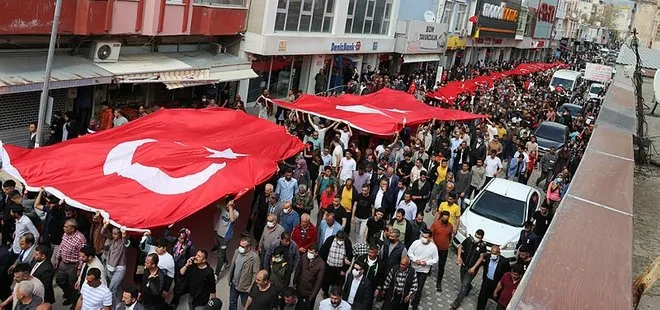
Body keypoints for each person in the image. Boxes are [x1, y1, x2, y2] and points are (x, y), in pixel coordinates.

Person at [450, 229, 487, 309]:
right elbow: (460, 247)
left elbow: (481, 258)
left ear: (482, 238)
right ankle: (469, 287)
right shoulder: (469, 240)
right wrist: (459, 257)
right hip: (464, 265)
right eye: (476, 236)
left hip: (472, 269)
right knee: (463, 280)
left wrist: (474, 268)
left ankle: (456, 303)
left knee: (464, 286)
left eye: (478, 237)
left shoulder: (482, 246)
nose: (476, 238)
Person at [54, 219, 87, 306]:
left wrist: (79, 269)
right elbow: (62, 246)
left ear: (72, 229)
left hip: (73, 265)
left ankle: (73, 301)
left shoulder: (80, 239)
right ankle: (68, 293)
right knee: (59, 280)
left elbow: (82, 256)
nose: (64, 228)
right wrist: (57, 258)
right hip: (63, 262)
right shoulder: (65, 234)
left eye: (66, 227)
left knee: (73, 285)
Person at [408, 229, 439, 310]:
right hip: (413, 268)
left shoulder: (433, 247)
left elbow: (436, 259)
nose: (423, 238)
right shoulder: (416, 243)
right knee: (409, 285)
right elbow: (409, 252)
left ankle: (415, 305)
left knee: (419, 289)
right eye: (423, 236)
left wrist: (427, 263)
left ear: (430, 238)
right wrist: (415, 260)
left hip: (423, 271)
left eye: (426, 237)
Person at [228, 237, 260, 310]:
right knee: (232, 302)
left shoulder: (254, 258)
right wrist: (230, 279)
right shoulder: (237, 252)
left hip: (245, 287)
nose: (240, 248)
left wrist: (251, 287)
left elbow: (255, 273)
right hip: (234, 283)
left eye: (243, 246)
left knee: (246, 304)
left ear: (249, 247)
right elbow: (233, 266)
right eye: (240, 245)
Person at [319, 231, 353, 297]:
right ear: (336, 237)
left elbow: (350, 256)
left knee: (338, 286)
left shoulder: (347, 242)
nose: (340, 241)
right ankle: (326, 293)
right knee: (326, 283)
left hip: (340, 269)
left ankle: (335, 296)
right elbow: (323, 252)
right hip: (329, 267)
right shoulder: (330, 240)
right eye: (339, 240)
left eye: (341, 240)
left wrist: (344, 269)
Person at [476, 245, 511, 310]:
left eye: (494, 254)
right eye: (491, 253)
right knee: (482, 298)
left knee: (497, 300)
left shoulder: (504, 262)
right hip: (486, 281)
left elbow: (506, 274)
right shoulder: (488, 257)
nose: (492, 255)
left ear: (498, 253)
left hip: (496, 283)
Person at [294, 244, 324, 310]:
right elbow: (298, 270)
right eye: (308, 252)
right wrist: (295, 282)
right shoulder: (304, 257)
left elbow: (319, 282)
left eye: (311, 253)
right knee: (298, 306)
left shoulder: (321, 264)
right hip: (300, 288)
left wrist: (312, 296)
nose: (309, 254)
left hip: (310, 292)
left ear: (316, 253)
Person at [213, 198, 238, 278]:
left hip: (226, 237)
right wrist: (224, 198)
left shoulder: (235, 213)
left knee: (220, 255)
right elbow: (215, 203)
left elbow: (232, 219)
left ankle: (216, 274)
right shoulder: (223, 207)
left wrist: (230, 207)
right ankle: (226, 263)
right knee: (220, 251)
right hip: (218, 233)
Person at [430, 211, 453, 292]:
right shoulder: (436, 224)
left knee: (441, 266)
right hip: (435, 248)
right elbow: (430, 235)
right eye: (443, 218)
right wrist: (433, 243)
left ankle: (439, 282)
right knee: (431, 261)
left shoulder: (450, 226)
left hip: (444, 249)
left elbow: (450, 237)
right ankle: (428, 271)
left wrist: (448, 244)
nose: (444, 220)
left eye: (446, 219)